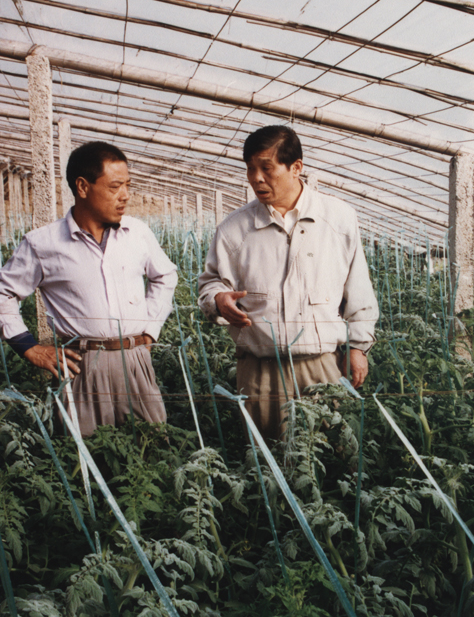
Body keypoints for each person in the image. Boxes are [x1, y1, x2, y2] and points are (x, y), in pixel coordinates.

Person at [198, 125, 378, 444]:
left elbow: (358, 288)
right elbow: (210, 283)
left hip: (322, 365)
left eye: (266, 168)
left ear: (296, 167)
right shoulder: (234, 229)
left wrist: (358, 347)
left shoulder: (337, 219)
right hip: (260, 370)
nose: (256, 178)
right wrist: (219, 301)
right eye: (250, 168)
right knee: (265, 456)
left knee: (328, 456)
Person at [0, 141, 177, 436]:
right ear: (82, 187)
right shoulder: (43, 243)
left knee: (152, 444)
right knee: (84, 450)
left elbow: (166, 276)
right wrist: (29, 347)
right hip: (81, 367)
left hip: (136, 360)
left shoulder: (137, 233)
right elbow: (3, 293)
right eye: (115, 187)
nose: (125, 195)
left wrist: (151, 327)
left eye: (128, 185)